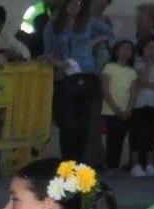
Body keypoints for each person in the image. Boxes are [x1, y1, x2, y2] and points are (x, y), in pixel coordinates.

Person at [43, 0, 100, 162]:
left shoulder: (89, 24)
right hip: (64, 78)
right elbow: (48, 53)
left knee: (83, 126)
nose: (75, 6)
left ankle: (78, 162)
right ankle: (68, 163)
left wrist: (94, 46)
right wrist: (60, 64)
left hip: (85, 75)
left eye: (79, 3)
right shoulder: (53, 26)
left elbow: (109, 34)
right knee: (67, 125)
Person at [130, 35, 154, 178]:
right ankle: (135, 164)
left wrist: (152, 85)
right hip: (138, 102)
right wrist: (149, 66)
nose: (151, 51)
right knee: (137, 132)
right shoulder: (137, 63)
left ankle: (150, 164)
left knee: (152, 132)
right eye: (148, 47)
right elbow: (141, 81)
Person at [100, 40, 137, 172]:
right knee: (112, 138)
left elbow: (133, 93)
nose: (126, 51)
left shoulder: (132, 71)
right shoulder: (109, 67)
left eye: (129, 49)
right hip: (110, 110)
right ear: (116, 51)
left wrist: (129, 109)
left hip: (126, 111)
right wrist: (116, 109)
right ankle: (110, 166)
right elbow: (105, 90)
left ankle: (115, 166)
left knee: (120, 138)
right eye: (123, 48)